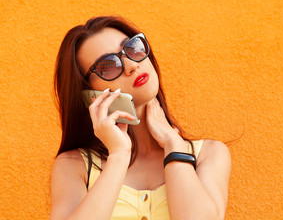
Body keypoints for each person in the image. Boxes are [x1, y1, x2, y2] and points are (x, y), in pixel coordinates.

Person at [50, 15, 231, 220]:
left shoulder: (209, 154)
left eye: (132, 47)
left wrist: (174, 146)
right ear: (89, 94)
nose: (131, 65)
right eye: (108, 65)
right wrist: (119, 154)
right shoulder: (74, 166)